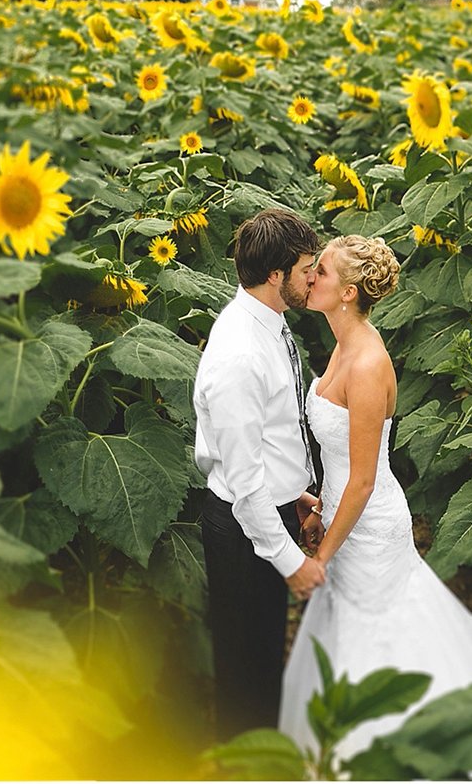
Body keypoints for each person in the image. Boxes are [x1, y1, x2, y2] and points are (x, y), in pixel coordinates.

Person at [278, 234, 472, 760]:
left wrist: (322, 556)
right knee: (346, 641)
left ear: (349, 293)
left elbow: (362, 479)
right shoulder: (341, 344)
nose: (311, 277)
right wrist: (320, 509)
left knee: (378, 645)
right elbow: (341, 470)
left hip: (370, 527)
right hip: (343, 516)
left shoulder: (365, 364)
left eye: (324, 273)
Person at [193, 208, 327, 742]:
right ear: (277, 275)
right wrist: (293, 562)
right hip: (243, 528)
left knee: (265, 659)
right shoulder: (238, 355)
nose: (313, 278)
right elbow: (245, 484)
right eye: (306, 268)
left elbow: (275, 431)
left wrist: (295, 492)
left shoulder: (269, 325)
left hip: (273, 512)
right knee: (244, 677)